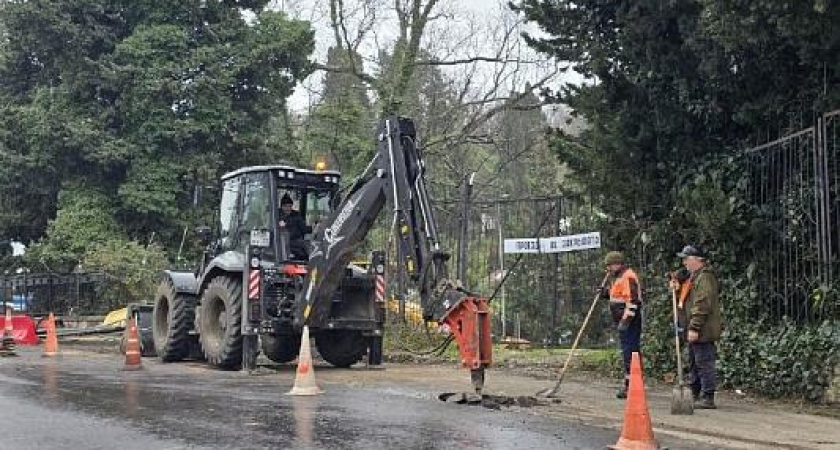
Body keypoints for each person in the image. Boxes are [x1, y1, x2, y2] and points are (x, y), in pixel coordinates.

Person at [672, 244, 722, 409]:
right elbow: (685, 299)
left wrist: (694, 327)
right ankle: (694, 392)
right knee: (694, 361)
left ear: (697, 260)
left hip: (703, 329)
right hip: (694, 327)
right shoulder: (692, 277)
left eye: (687, 259)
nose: (684, 262)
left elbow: (702, 304)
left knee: (704, 362)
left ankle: (708, 396)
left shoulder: (704, 278)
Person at [599, 251, 642, 399]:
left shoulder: (628, 277)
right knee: (627, 353)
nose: (608, 269)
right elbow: (617, 295)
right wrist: (605, 293)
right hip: (622, 321)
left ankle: (632, 386)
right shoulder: (617, 278)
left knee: (631, 352)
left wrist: (626, 321)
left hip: (630, 322)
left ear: (617, 264)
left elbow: (633, 301)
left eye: (609, 266)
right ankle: (630, 384)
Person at [278, 193, 311, 259]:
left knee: (307, 244)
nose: (288, 208)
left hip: (296, 241)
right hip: (281, 242)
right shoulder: (276, 215)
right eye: (286, 206)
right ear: (281, 207)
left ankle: (311, 260)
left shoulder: (296, 215)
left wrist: (312, 228)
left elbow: (304, 229)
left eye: (290, 206)